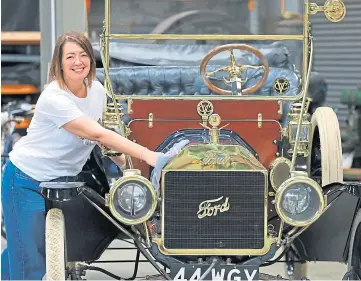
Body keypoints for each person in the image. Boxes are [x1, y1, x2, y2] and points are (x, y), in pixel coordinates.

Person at [1, 31, 163, 280]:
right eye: (70, 57)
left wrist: (128, 168)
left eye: (83, 55)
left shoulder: (96, 90)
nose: (78, 62)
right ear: (59, 63)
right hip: (25, 179)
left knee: (28, 248)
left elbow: (103, 141)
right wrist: (151, 156)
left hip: (64, 179)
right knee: (29, 263)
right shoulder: (54, 98)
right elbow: (98, 134)